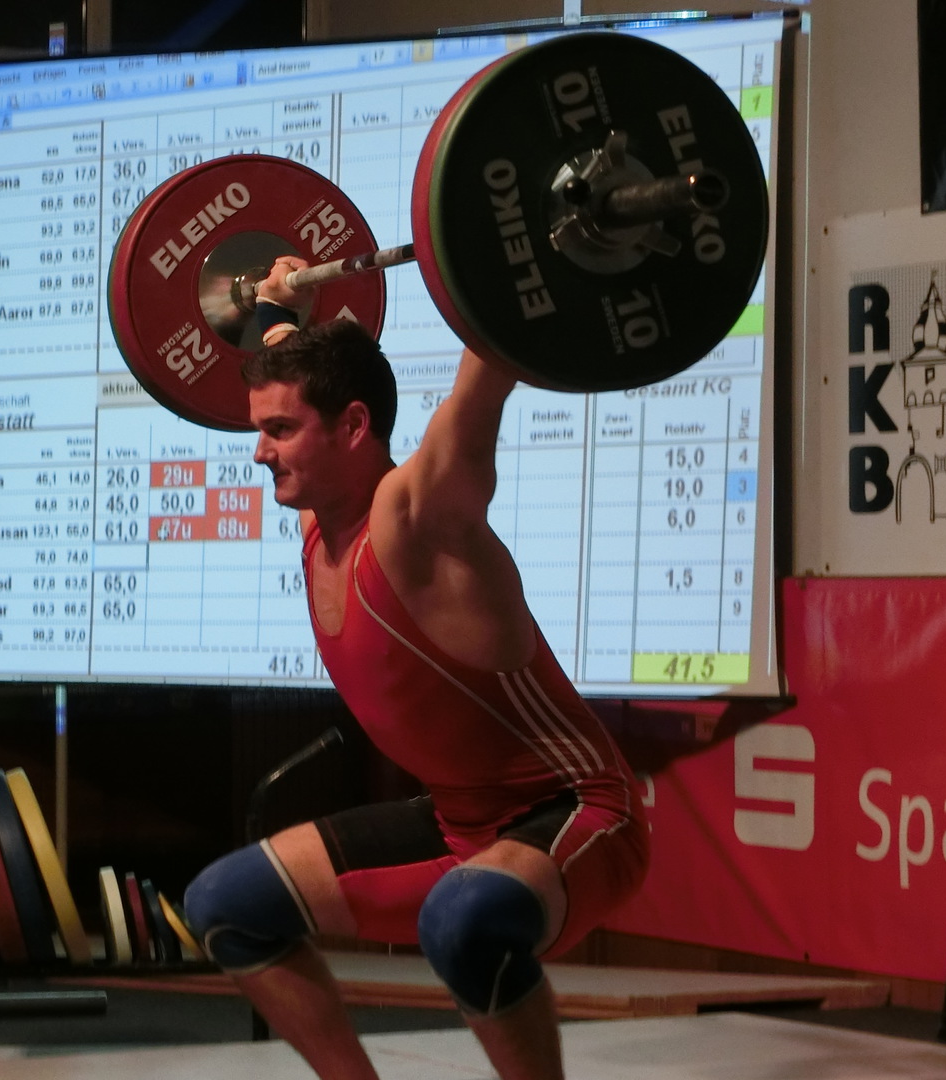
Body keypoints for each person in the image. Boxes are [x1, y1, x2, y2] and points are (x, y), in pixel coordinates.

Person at [184, 255, 649, 1080]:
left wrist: (516, 260)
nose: (259, 453)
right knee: (226, 905)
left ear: (353, 428)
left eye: (279, 431)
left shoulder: (417, 521)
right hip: (459, 824)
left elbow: (481, 388)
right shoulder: (322, 512)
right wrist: (278, 309)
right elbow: (295, 363)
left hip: (578, 814)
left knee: (462, 922)